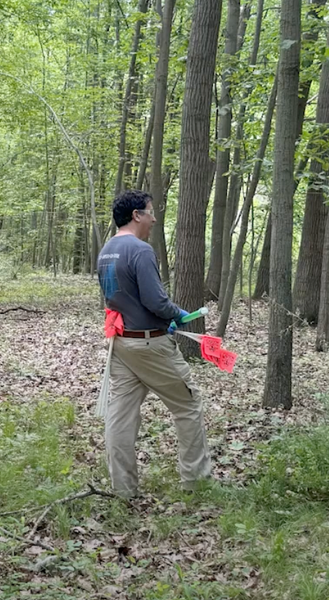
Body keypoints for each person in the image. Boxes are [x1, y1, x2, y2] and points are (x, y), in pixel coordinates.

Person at [97, 190, 212, 498]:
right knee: (187, 405)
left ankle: (123, 489)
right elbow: (155, 300)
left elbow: (120, 298)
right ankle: (196, 481)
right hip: (150, 346)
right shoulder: (141, 250)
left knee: (120, 416)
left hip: (121, 345)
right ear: (136, 215)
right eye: (150, 212)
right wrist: (178, 315)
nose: (153, 218)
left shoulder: (106, 250)